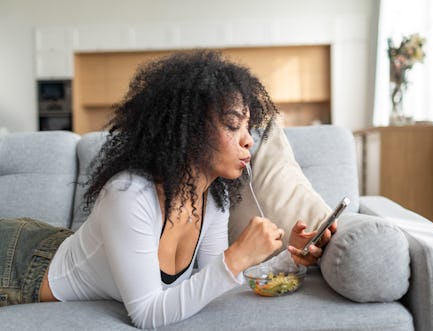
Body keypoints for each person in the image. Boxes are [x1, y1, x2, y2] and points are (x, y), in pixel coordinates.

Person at [0, 50, 333, 329]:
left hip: (57, 246)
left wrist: (290, 259)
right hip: (16, 265)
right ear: (190, 131)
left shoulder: (212, 198)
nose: (248, 139)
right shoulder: (129, 194)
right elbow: (147, 314)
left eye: (248, 125)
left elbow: (211, 285)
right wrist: (236, 257)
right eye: (233, 125)